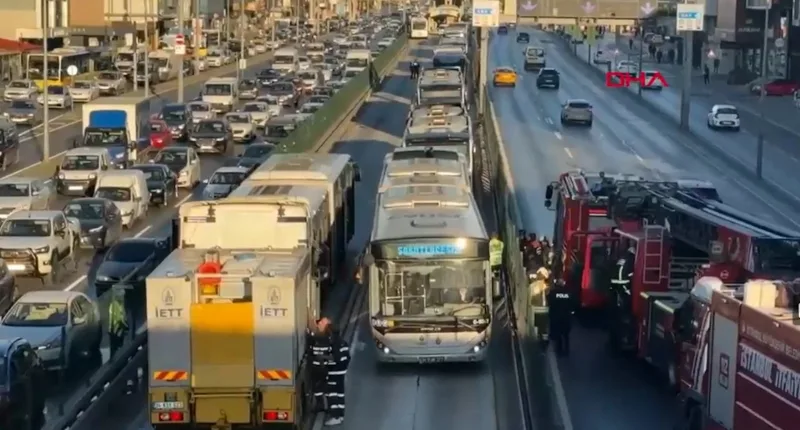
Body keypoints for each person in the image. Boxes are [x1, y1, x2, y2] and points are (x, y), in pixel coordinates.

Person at [321, 318, 350, 426]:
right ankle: (340, 415)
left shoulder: (334, 343)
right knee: (340, 394)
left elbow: (335, 358)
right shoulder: (343, 342)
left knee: (332, 394)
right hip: (340, 373)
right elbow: (347, 357)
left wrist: (324, 358)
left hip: (334, 373)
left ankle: (335, 416)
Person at [547, 279, 575, 356]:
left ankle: (559, 351)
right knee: (566, 336)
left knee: (558, 335)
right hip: (566, 318)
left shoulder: (553, 293)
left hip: (557, 317)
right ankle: (566, 351)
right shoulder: (568, 293)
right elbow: (572, 304)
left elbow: (549, 302)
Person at [108, 288, 129, 357]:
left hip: (116, 329)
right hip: (116, 329)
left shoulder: (116, 304)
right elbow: (120, 319)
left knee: (116, 346)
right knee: (117, 346)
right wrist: (126, 326)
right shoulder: (117, 305)